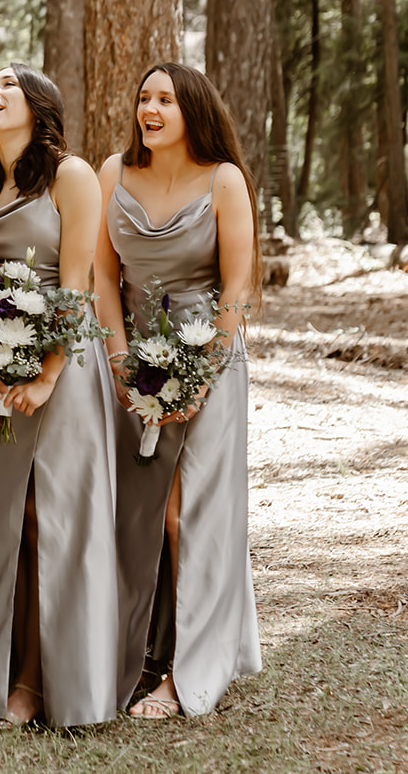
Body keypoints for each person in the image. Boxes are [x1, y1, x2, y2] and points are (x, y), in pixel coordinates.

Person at [94, 61, 260, 719]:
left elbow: (238, 286)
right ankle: (134, 653)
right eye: (143, 97)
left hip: (208, 361)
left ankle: (184, 670)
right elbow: (103, 279)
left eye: (165, 98)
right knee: (137, 516)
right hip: (133, 363)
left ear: (193, 108)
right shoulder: (114, 172)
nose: (150, 108)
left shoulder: (223, 180)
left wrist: (201, 374)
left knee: (185, 516)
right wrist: (119, 359)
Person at [0, 65, 118, 727]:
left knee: (43, 519)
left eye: (8, 86)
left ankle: (33, 682)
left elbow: (77, 284)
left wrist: (47, 371)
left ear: (40, 104)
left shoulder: (70, 177)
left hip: (65, 371)